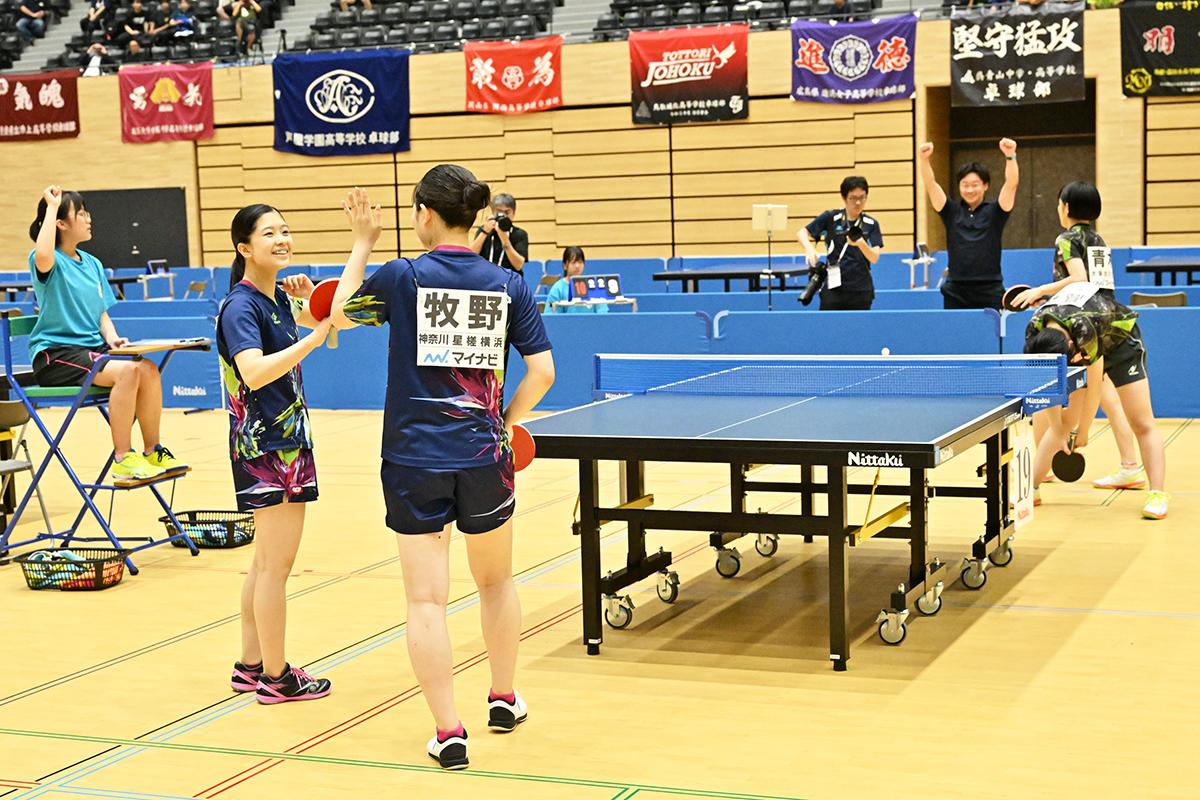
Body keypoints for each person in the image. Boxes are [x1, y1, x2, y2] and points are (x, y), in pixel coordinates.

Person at [330, 171, 554, 770]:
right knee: (496, 583)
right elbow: (543, 372)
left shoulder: (403, 275)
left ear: (425, 214)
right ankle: (503, 698)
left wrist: (362, 241)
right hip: (484, 458)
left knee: (427, 601)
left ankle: (449, 732)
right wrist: (504, 421)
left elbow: (340, 315)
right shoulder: (508, 284)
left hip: (413, 461)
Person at [216, 197, 377, 703]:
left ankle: (251, 666)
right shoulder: (241, 306)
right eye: (269, 233)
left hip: (284, 442)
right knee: (274, 568)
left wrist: (321, 296)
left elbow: (342, 317)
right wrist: (313, 339)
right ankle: (277, 677)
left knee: (264, 563)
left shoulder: (277, 300)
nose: (281, 239)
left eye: (284, 230)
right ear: (244, 248)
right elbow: (253, 371)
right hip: (268, 446)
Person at [28, 186, 188, 485]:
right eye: (81, 214)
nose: (89, 218)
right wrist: (51, 207)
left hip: (93, 350)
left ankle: (152, 451)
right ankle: (123, 458)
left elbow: (100, 311)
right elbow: (44, 253)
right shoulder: (48, 261)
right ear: (61, 223)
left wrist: (112, 338)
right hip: (57, 355)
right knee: (128, 372)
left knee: (148, 370)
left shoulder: (92, 264)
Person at [1008, 181, 1144, 491]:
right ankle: (1129, 465)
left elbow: (1079, 279)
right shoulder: (1099, 240)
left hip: (1081, 326)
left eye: (1059, 203)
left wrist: (1042, 291)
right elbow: (1096, 286)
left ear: (1066, 207)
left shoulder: (1066, 238)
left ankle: (1035, 477)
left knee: (1054, 402)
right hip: (1106, 321)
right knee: (1108, 398)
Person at [1023, 284, 1168, 519]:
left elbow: (1095, 385)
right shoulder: (1035, 330)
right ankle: (1031, 490)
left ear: (1071, 347)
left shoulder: (1083, 328)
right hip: (1082, 345)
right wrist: (1058, 430)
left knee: (1141, 421)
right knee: (1064, 422)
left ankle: (1157, 495)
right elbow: (1048, 387)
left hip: (1120, 343)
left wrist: (1084, 430)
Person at [918, 138, 1019, 309]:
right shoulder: (950, 211)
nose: (970, 190)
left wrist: (1010, 156)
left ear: (985, 186)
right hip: (956, 289)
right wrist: (923, 160)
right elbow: (931, 185)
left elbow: (1011, 185)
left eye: (975, 185)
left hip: (990, 289)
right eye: (964, 185)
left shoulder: (996, 212)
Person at [798, 176, 884, 310]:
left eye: (862, 198)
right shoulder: (831, 218)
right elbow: (802, 233)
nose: (858, 203)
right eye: (853, 198)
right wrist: (809, 249)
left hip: (861, 291)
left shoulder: (871, 224)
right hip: (833, 290)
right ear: (844, 198)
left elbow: (874, 257)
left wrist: (861, 244)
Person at [470, 193, 528, 272]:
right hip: (486, 276)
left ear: (514, 213)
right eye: (499, 212)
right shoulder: (485, 230)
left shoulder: (519, 234)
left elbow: (518, 265)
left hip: (510, 278)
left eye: (507, 212)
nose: (503, 216)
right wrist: (484, 232)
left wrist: (505, 240)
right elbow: (471, 256)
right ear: (493, 212)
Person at [544, 246, 609, 314]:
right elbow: (551, 315)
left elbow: (603, 313)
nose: (577, 266)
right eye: (573, 262)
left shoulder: (593, 286)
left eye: (580, 262)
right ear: (565, 265)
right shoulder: (557, 289)